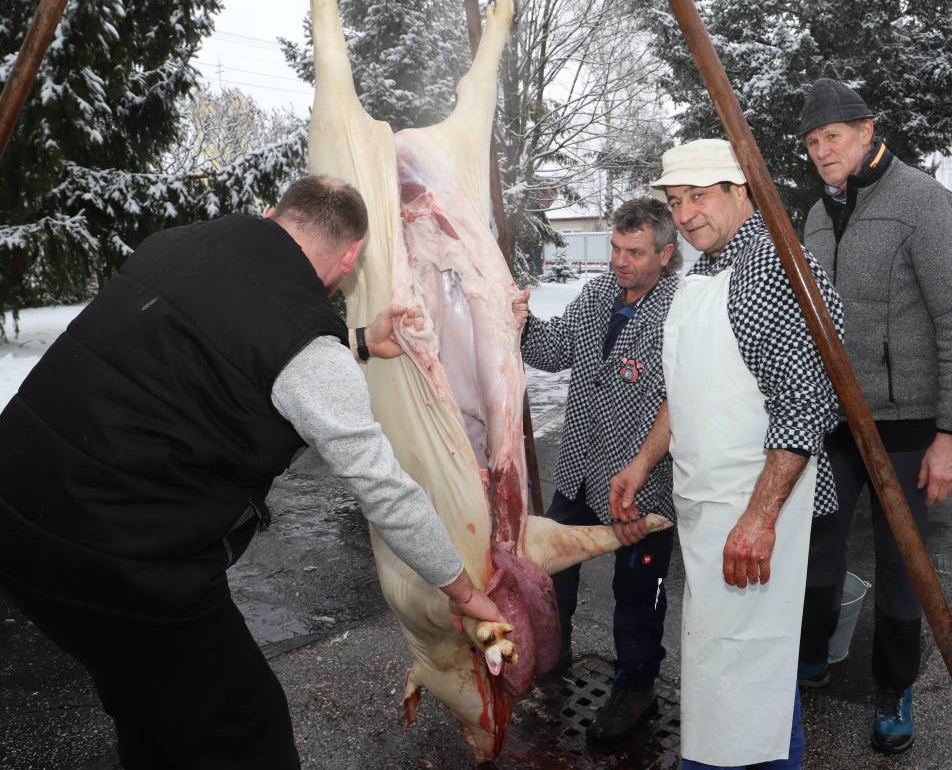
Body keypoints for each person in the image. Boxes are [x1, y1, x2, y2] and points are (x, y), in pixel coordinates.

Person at [0, 175, 506, 770]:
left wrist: (360, 343)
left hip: (18, 512)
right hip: (121, 556)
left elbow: (233, 341)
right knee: (245, 728)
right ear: (350, 257)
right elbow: (386, 491)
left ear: (272, 215)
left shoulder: (179, 244)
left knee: (152, 705)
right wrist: (464, 591)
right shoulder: (307, 350)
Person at [610, 140, 844, 769]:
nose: (684, 215)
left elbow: (805, 405)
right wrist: (642, 462)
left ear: (741, 192)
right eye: (676, 200)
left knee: (743, 669)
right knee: (741, 670)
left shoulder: (775, 268)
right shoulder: (703, 272)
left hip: (757, 508)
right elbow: (686, 390)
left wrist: (760, 517)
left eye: (700, 196)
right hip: (710, 507)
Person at [794, 78, 952, 754]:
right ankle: (813, 650)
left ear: (868, 130)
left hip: (906, 424)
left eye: (833, 136)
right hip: (835, 419)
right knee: (816, 542)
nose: (822, 151)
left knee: (902, 560)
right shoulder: (819, 214)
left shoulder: (920, 204)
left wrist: (950, 438)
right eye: (813, 142)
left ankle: (894, 686)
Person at [511, 197, 680, 743]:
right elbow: (556, 349)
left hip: (641, 484)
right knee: (550, 571)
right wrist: (520, 323)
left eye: (634, 252)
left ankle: (635, 688)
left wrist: (653, 497)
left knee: (637, 592)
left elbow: (686, 407)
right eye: (615, 247)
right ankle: (549, 657)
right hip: (579, 471)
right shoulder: (598, 294)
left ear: (666, 254)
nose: (619, 261)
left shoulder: (681, 311)